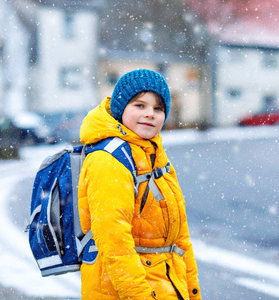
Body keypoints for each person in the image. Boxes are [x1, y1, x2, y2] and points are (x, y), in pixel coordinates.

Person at [78, 69, 201, 299]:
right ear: (120, 108)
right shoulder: (109, 160)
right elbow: (114, 242)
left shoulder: (156, 158)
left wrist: (193, 293)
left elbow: (180, 240)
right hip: (124, 291)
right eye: (140, 105)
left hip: (166, 286)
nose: (150, 114)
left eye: (158, 108)